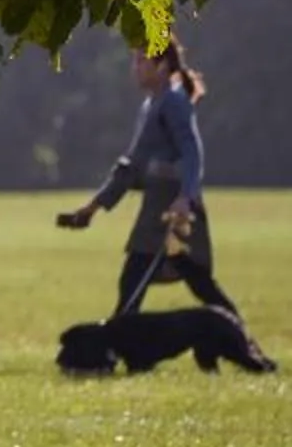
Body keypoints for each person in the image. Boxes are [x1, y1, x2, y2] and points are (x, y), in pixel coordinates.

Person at [56, 40, 255, 336]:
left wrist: (185, 199)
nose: (134, 68)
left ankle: (113, 347)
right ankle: (242, 344)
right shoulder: (153, 103)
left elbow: (192, 152)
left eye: (140, 61)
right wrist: (93, 207)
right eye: (134, 61)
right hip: (157, 209)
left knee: (152, 280)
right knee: (157, 281)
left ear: (161, 66)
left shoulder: (173, 102)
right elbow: (131, 167)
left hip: (174, 211)